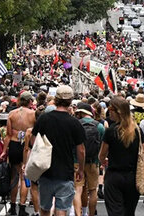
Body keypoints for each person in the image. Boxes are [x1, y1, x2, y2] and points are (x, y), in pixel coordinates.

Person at [30, 85, 86, 216]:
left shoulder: (44, 119)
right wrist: (81, 169)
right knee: (62, 208)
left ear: (55, 100)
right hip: (65, 171)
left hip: (45, 170)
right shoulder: (74, 123)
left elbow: (33, 141)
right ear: (70, 101)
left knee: (44, 208)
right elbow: (81, 150)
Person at [98, 96, 144, 216]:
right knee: (129, 211)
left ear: (116, 111)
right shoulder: (137, 130)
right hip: (132, 176)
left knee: (115, 211)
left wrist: (103, 161)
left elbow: (102, 154)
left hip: (114, 175)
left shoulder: (111, 131)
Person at [3, 91, 35, 216]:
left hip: (14, 145)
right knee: (25, 176)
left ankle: (13, 206)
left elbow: (8, 135)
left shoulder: (12, 114)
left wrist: (4, 150)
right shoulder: (33, 114)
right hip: (27, 146)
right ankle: (22, 206)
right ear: (29, 101)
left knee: (14, 176)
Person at [74, 102, 103, 216]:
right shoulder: (99, 126)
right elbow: (102, 145)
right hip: (93, 162)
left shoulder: (76, 125)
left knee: (78, 189)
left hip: (76, 161)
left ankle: (79, 213)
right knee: (92, 190)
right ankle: (90, 214)